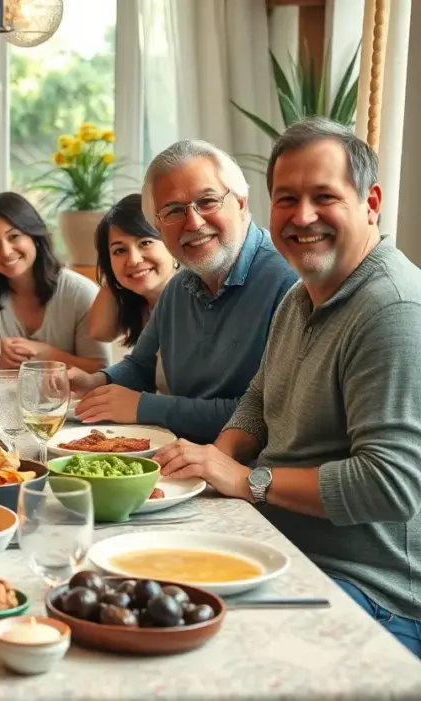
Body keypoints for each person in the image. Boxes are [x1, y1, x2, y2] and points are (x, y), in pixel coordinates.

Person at [155, 118, 421, 655]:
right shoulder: (302, 296)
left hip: (371, 593)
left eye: (324, 196)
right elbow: (258, 400)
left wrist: (247, 481)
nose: (302, 217)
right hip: (287, 552)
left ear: (370, 202)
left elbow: (390, 485)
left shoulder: (391, 308)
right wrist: (212, 460)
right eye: (287, 199)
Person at [68, 140, 299, 443]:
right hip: (180, 455)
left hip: (251, 474)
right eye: (174, 210)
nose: (194, 222)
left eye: (207, 201)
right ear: (158, 226)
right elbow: (141, 366)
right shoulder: (179, 286)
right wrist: (95, 382)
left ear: (241, 202)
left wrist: (145, 407)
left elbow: (267, 416)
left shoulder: (289, 282)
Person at [0, 192, 113, 372]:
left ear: (34, 237)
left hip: (67, 400)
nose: (5, 251)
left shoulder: (81, 292)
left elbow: (101, 371)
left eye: (14, 236)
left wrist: (47, 354)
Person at [86, 193, 178, 392]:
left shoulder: (196, 298)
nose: (134, 259)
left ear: (172, 244)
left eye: (145, 242)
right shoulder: (143, 304)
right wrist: (115, 275)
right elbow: (99, 331)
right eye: (119, 250)